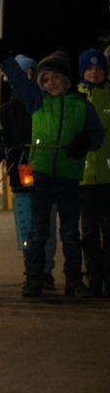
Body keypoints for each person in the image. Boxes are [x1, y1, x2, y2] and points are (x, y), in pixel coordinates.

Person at [0, 40, 104, 298]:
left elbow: (97, 133)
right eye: (45, 79)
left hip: (68, 178)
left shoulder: (81, 105)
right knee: (37, 230)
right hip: (41, 177)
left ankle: (74, 280)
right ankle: (34, 277)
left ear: (66, 79)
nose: (50, 83)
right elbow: (19, 80)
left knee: (69, 233)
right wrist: (3, 58)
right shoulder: (36, 102)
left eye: (55, 77)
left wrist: (86, 140)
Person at [0, 55, 57, 289]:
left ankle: (47, 270)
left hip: (46, 175)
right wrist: (8, 152)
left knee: (48, 227)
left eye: (33, 73)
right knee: (26, 226)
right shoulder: (6, 110)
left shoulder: (46, 104)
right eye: (24, 73)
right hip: (20, 176)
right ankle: (31, 268)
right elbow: (0, 140)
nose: (29, 77)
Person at [77, 48, 110, 296]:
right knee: (88, 234)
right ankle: (94, 279)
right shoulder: (75, 97)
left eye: (99, 68)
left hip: (108, 178)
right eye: (90, 68)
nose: (95, 71)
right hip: (84, 179)